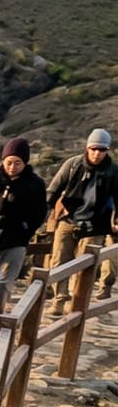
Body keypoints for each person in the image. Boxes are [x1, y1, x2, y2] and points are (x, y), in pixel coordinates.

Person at [48, 128, 118, 300]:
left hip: (96, 223)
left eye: (102, 149)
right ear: (87, 148)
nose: (97, 153)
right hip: (68, 218)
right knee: (59, 260)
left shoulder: (113, 171)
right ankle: (60, 297)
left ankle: (78, 300)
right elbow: (53, 190)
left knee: (85, 264)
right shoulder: (72, 165)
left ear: (107, 150)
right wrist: (46, 214)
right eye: (94, 148)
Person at [0, 136, 47, 291]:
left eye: (17, 162)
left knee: (4, 284)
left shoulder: (35, 184)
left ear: (25, 162)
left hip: (16, 240)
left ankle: (0, 314)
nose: (12, 167)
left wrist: (26, 228)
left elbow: (40, 212)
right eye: (9, 162)